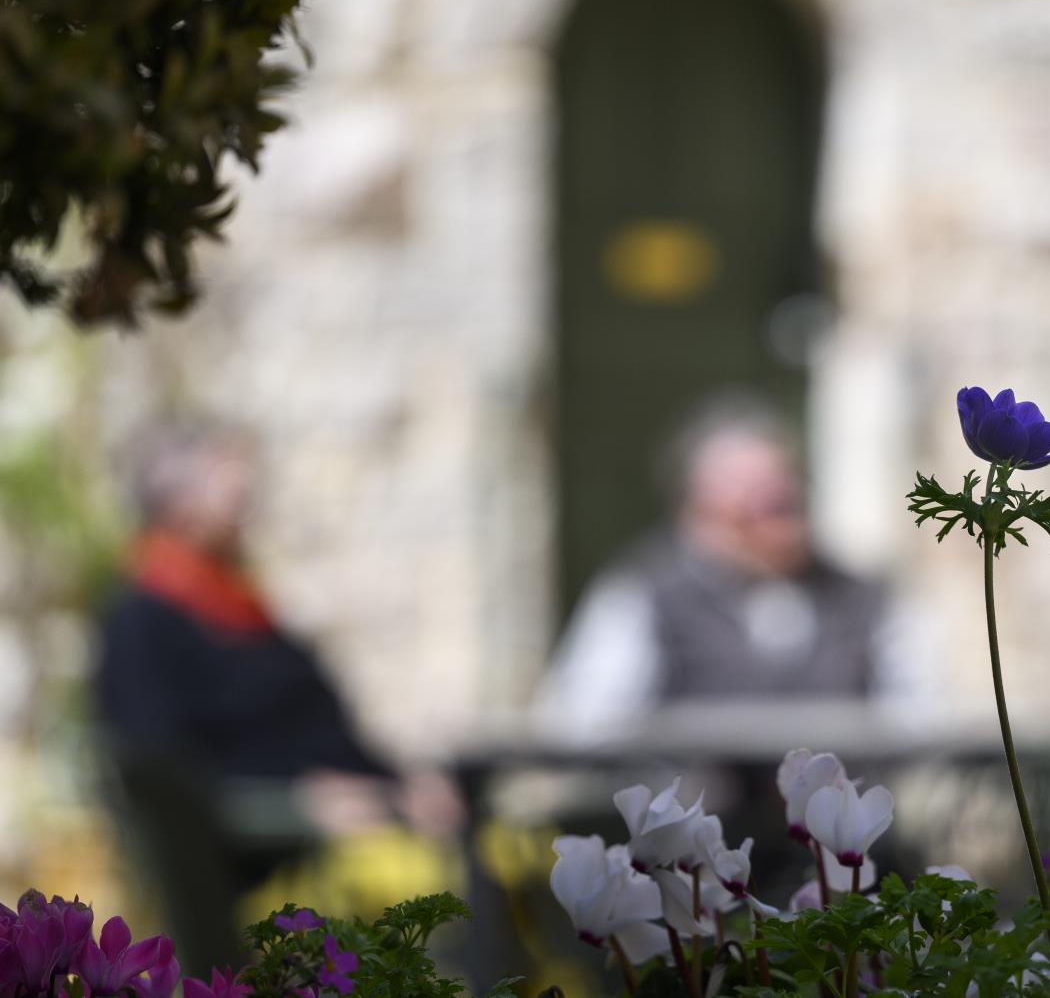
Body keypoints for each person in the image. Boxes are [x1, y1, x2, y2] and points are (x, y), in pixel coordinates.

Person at [95, 422, 459, 970]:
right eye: (226, 478)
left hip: (349, 832)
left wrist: (401, 782)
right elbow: (165, 766)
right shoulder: (143, 620)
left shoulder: (241, 606)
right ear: (177, 501)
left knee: (507, 860)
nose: (247, 493)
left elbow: (320, 720)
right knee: (446, 900)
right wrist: (295, 798)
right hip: (267, 870)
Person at [532, 399, 907, 740]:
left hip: (834, 814)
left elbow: (917, 722)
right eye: (755, 502)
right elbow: (581, 729)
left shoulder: (864, 598)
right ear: (698, 510)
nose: (779, 513)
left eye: (786, 497)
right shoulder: (642, 595)